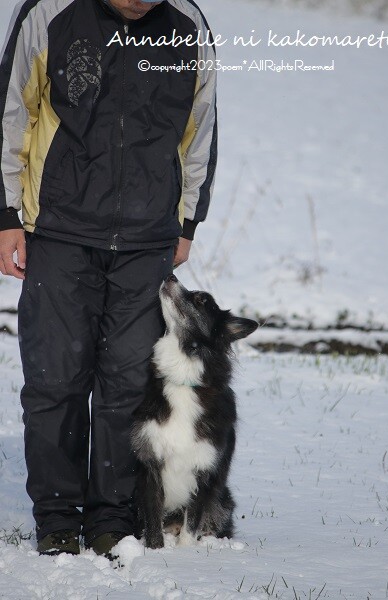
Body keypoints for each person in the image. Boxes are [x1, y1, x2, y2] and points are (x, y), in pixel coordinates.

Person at [0, 0, 217, 558]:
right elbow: (11, 113)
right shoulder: (49, 12)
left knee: (127, 387)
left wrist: (187, 219)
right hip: (59, 231)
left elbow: (200, 128)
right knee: (54, 382)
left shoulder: (186, 27)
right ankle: (55, 518)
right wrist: (5, 217)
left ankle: (112, 519)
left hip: (147, 242)